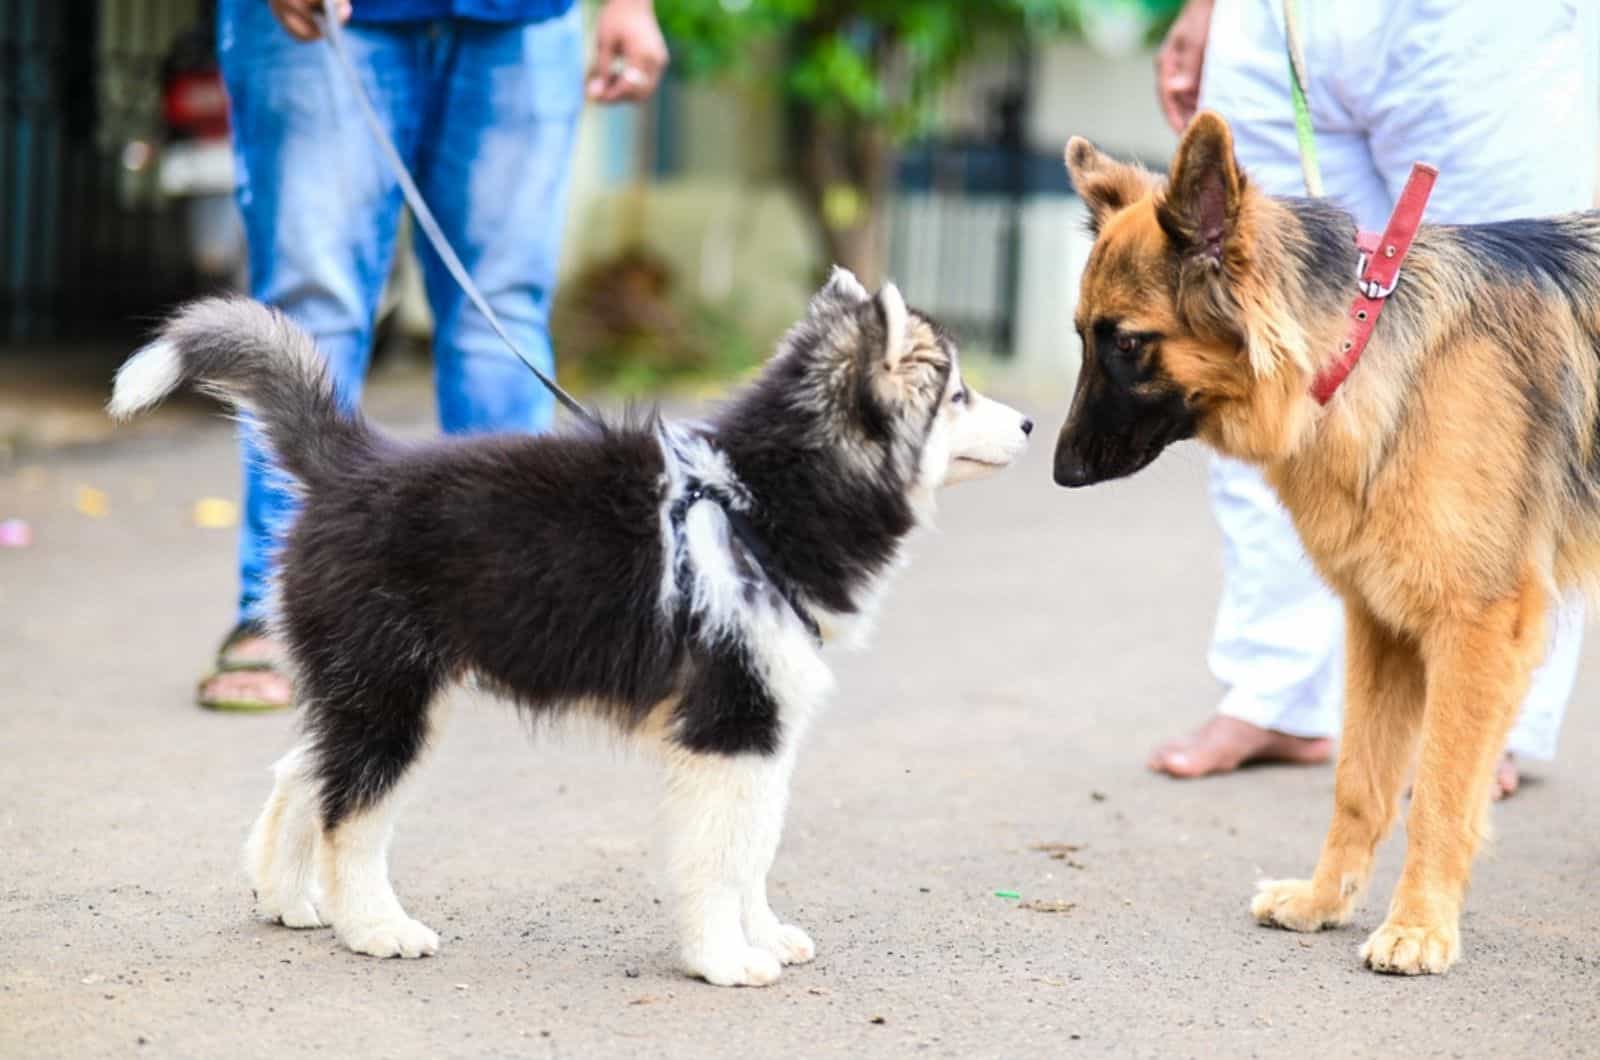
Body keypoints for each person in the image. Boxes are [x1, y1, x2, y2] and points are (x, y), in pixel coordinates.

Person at [1147, 0, 1597, 794]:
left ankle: (1488, 718)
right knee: (1241, 343)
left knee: (1506, 361)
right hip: (1277, 19)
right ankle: (1276, 690)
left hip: (1480, 24)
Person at [198, 0, 667, 710]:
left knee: (501, 308)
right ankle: (281, 614)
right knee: (313, 302)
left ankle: (507, 613)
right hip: (324, 20)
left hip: (519, 17)